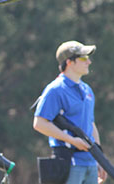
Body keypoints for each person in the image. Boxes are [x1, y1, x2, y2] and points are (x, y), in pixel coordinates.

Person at [33, 40, 108, 184]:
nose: (89, 62)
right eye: (84, 58)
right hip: (69, 162)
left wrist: (100, 158)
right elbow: (39, 123)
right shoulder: (55, 90)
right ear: (69, 62)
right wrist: (72, 141)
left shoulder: (87, 90)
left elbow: (91, 124)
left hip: (90, 163)